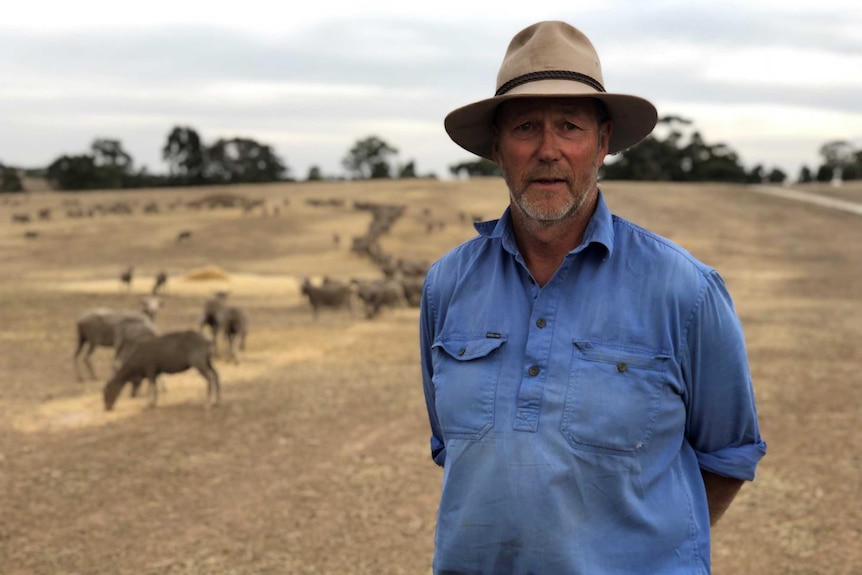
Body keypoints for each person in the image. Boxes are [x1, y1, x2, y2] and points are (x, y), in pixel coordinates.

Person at [419, 20, 767, 574]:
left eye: (570, 127)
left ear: (603, 144)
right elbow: (455, 449)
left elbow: (729, 454)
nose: (548, 150)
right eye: (526, 127)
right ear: (497, 147)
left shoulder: (685, 290)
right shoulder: (447, 285)